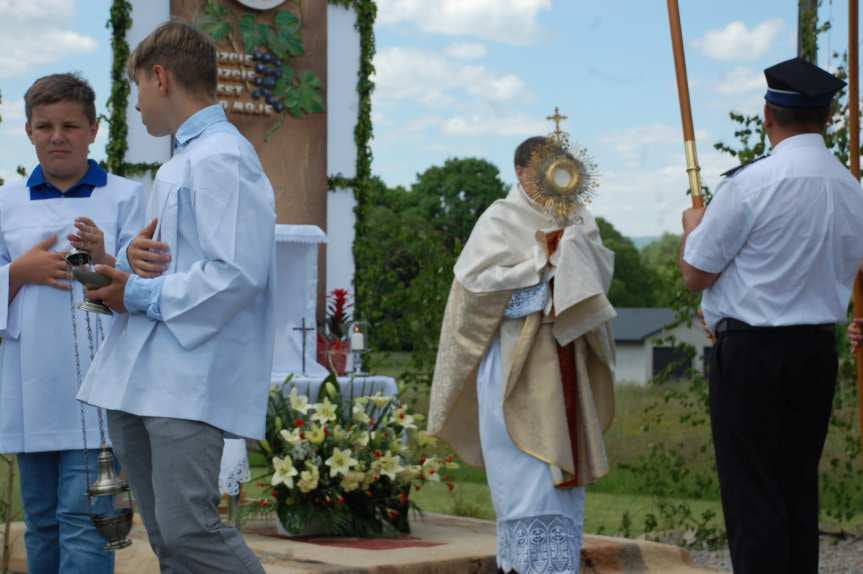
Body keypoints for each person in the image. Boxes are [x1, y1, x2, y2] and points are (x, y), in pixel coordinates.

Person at [75, 21, 276, 574]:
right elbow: (178, 265)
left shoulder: (223, 158)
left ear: (159, 78)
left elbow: (237, 273)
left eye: (137, 86)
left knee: (191, 530)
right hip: (148, 377)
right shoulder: (185, 159)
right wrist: (125, 267)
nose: (136, 103)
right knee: (168, 538)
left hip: (188, 380)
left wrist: (135, 290)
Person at [679, 57, 863, 574]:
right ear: (828, 117)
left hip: (752, 355)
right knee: (797, 490)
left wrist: (693, 226)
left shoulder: (750, 185)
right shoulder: (853, 190)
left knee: (752, 494)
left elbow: (696, 273)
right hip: (815, 353)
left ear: (767, 115)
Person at [427, 136, 615, 574]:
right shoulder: (499, 217)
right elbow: (474, 289)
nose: (552, 176)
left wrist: (573, 255)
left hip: (567, 357)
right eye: (540, 168)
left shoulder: (578, 215)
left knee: (560, 489)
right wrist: (540, 263)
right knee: (525, 481)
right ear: (520, 173)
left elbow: (600, 275)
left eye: (558, 164)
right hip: (516, 365)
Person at [0, 73, 145, 574]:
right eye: (45, 126)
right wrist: (17, 274)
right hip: (30, 385)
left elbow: (148, 283)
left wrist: (107, 257)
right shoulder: (6, 202)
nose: (56, 136)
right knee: (41, 522)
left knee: (85, 519)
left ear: (93, 129)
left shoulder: (129, 197)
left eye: (69, 125)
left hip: (99, 387)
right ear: (28, 131)